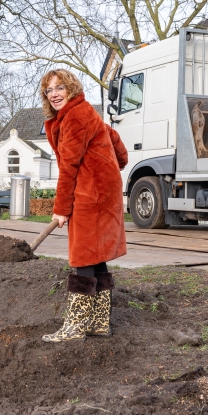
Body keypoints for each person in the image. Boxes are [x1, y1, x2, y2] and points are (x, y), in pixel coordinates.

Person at [39, 69, 129, 343]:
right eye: (49, 90)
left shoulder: (75, 116)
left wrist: (61, 208)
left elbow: (68, 167)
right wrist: (105, 168)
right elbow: (120, 153)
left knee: (83, 256)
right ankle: (99, 323)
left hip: (90, 194)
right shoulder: (85, 113)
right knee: (96, 254)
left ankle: (75, 327)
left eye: (59, 88)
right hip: (102, 191)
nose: (54, 94)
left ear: (71, 88)